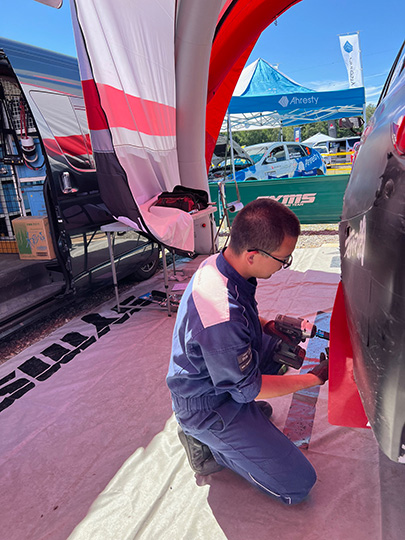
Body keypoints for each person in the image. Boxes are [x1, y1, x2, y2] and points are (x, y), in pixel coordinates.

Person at [166, 198, 329, 505]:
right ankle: (208, 444)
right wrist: (313, 380)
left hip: (218, 373)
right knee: (298, 484)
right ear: (253, 254)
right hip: (207, 406)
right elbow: (248, 388)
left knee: (283, 350)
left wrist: (267, 326)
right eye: (284, 259)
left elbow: (239, 319)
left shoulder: (222, 264)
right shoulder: (221, 315)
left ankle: (240, 428)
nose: (284, 266)